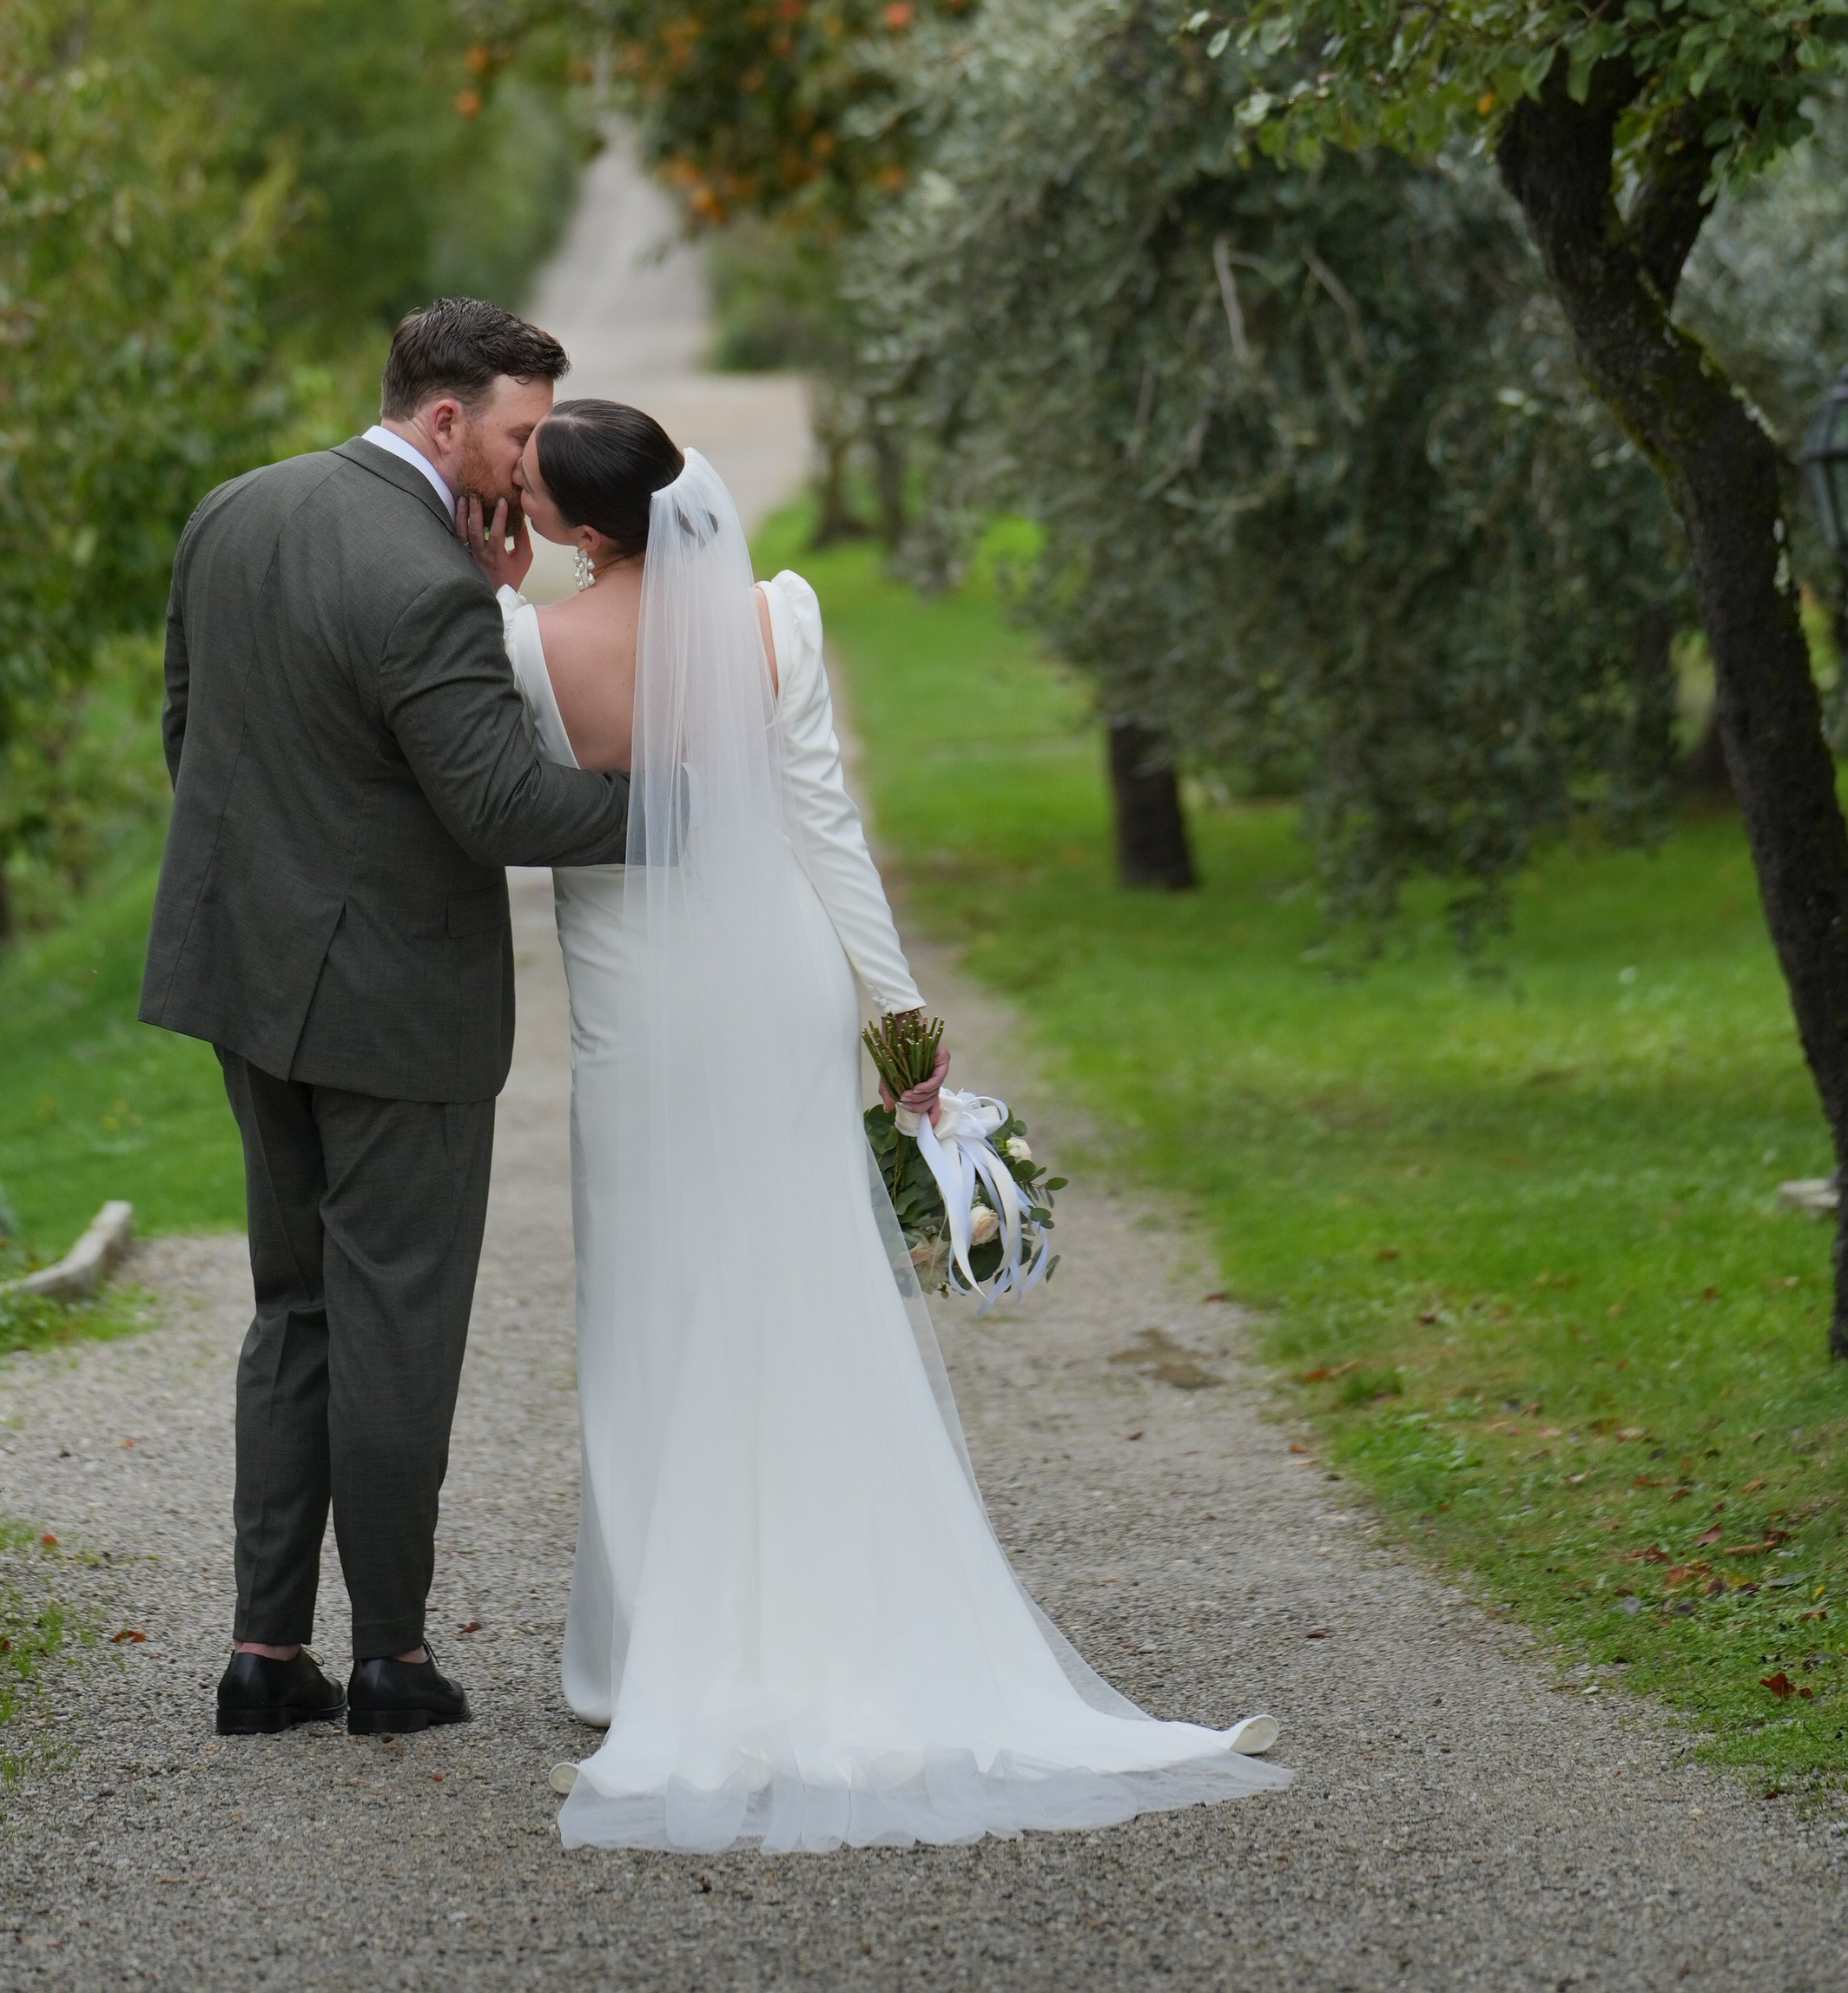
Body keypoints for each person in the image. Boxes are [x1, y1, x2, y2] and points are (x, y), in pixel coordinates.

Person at [479, 399, 1287, 1854]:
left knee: (647, 1300)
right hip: (783, 984)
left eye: (528, 485)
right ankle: (826, 1596)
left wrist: (491, 580)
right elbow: (824, 825)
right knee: (803, 1278)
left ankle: (632, 1653)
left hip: (641, 1012)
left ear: (587, 529)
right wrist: (901, 1023)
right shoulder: (779, 617)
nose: (510, 494)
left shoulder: (529, 648)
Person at [141, 299, 630, 1743]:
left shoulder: (234, 511)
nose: (538, 469)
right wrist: (702, 804)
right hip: (391, 1004)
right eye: (524, 435)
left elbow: (191, 731)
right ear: (444, 424)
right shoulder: (423, 579)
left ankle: (261, 1654)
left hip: (245, 973)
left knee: (293, 1306)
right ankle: (393, 1661)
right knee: (397, 1321)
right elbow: (503, 805)